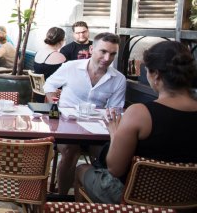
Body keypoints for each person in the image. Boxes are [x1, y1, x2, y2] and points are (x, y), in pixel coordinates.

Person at [75, 41, 197, 204]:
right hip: (188, 199)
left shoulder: (140, 113)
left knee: (82, 170)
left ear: (156, 75)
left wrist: (115, 136)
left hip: (136, 199)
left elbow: (115, 169)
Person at [43, 32, 126, 195]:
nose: (107, 57)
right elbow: (49, 84)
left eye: (113, 54)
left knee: (103, 155)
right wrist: (53, 101)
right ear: (92, 48)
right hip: (67, 124)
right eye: (103, 51)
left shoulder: (119, 79)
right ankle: (62, 198)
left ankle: (93, 198)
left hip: (96, 128)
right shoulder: (71, 67)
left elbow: (116, 110)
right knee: (70, 151)